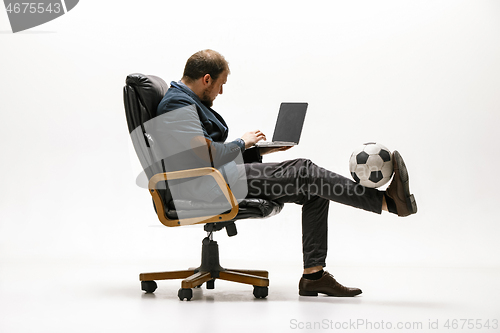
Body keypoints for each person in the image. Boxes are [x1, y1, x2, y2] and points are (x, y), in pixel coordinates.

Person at [156, 49, 417, 297]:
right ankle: (389, 203)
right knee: (304, 171)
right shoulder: (176, 104)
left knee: (314, 187)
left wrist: (259, 153)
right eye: (220, 84)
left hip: (216, 177)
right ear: (206, 79)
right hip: (205, 185)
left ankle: (313, 277)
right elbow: (204, 155)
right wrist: (241, 143)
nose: (221, 91)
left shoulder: (184, 101)